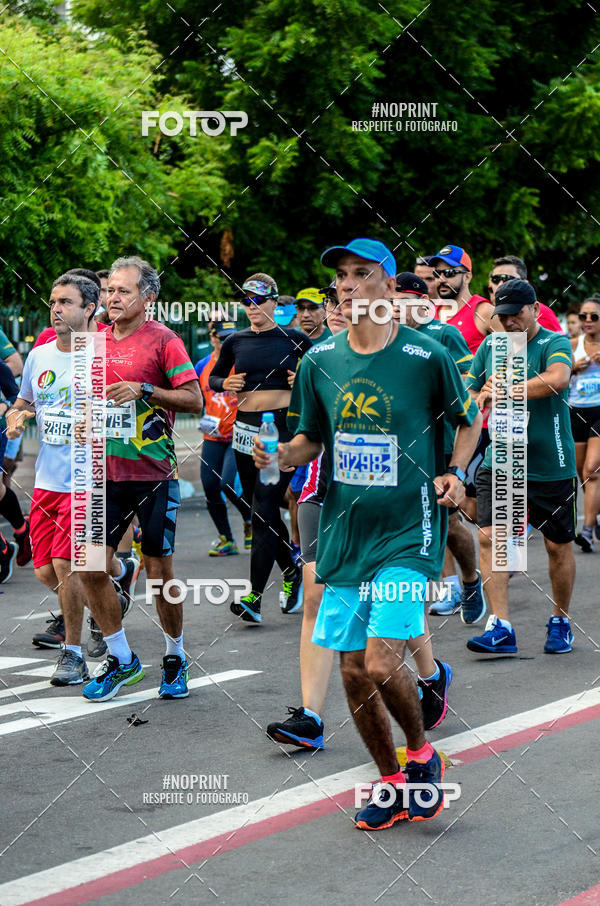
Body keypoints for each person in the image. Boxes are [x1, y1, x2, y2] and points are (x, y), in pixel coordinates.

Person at [257, 237, 481, 830]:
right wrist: (280, 455)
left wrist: (456, 472)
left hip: (411, 532)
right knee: (354, 671)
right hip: (345, 535)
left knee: (382, 664)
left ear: (387, 284)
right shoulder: (320, 361)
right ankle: (387, 783)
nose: (348, 285)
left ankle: (422, 753)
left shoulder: (424, 355)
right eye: (341, 277)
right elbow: (310, 438)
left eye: (361, 274)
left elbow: (469, 417)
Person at [78, 256, 203, 702]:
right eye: (110, 290)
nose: (112, 298)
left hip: (153, 474)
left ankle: (175, 656)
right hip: (103, 475)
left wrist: (145, 390)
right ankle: (122, 659)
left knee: (158, 571)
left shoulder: (164, 341)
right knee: (89, 567)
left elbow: (194, 399)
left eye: (123, 291)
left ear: (148, 297)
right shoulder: (92, 342)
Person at [466, 279, 576, 655]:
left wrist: (509, 388)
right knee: (491, 539)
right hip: (503, 460)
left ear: (535, 309)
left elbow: (559, 379)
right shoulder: (491, 347)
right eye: (503, 316)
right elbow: (469, 391)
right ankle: (501, 626)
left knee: (557, 547)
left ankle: (561, 619)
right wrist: (480, 394)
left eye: (517, 314)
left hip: (549, 463)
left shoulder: (553, 342)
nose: (510, 322)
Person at [6, 273, 103, 685]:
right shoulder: (39, 355)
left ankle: (74, 654)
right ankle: (113, 584)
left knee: (68, 566)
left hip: (90, 480)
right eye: (53, 302)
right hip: (48, 480)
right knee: (46, 571)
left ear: (88, 309)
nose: (57, 309)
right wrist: (16, 418)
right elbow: (24, 401)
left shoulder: (103, 355)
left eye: (66, 302)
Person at [209, 273, 312, 623]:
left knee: (265, 507)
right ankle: (291, 569)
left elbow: (320, 375)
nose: (253, 308)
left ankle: (253, 595)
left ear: (273, 301)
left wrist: (305, 380)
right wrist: (227, 381)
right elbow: (213, 379)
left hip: (279, 428)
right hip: (243, 429)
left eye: (259, 300)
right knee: (261, 512)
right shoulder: (235, 341)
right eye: (247, 301)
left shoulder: (294, 339)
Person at [392, 273, 486, 623]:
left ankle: (470, 579)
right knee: (414, 517)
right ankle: (440, 587)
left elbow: (466, 381)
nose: (397, 310)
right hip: (402, 445)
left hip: (442, 441)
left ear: (424, 303)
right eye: (392, 303)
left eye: (404, 303)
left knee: (446, 517)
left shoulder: (443, 334)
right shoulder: (386, 340)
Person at [195, 320, 251, 556]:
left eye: (231, 337)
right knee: (209, 486)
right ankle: (226, 539)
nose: (226, 341)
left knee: (227, 483)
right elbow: (196, 398)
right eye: (221, 337)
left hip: (238, 433)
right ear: (212, 338)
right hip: (213, 435)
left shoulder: (243, 362)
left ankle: (250, 519)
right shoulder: (202, 366)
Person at [568, 294, 600, 552]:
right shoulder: (571, 345)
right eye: (583, 316)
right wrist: (573, 367)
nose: (588, 321)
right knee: (583, 474)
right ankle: (596, 514)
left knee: (592, 470)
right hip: (576, 410)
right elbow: (556, 377)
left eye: (594, 316)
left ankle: (587, 531)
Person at [487, 256, 563, 332]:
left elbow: (559, 342)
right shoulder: (484, 310)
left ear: (525, 284)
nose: (500, 284)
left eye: (508, 279)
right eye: (496, 279)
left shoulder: (539, 312)